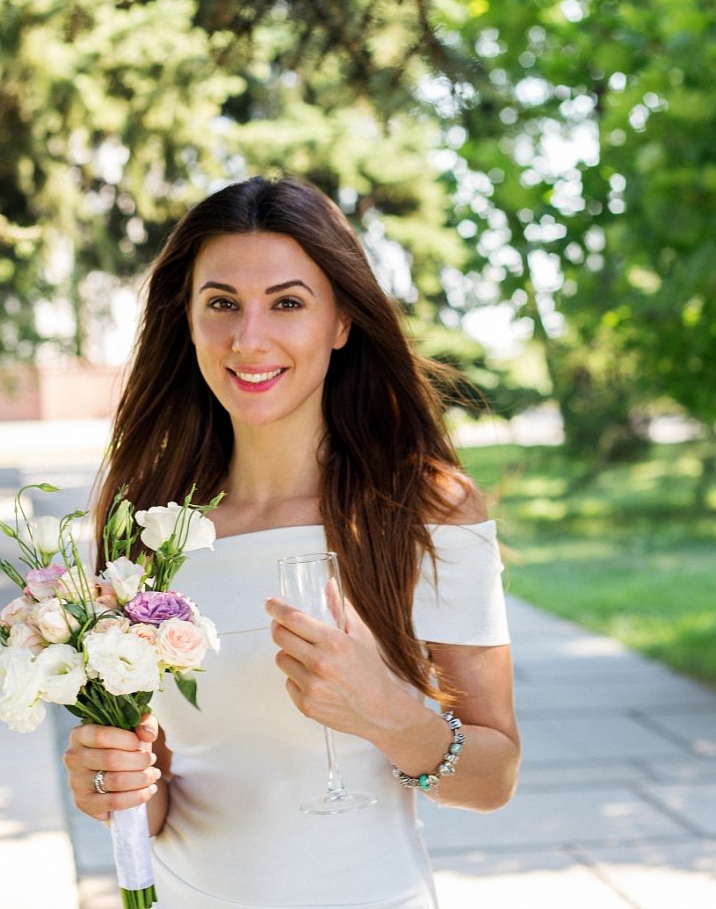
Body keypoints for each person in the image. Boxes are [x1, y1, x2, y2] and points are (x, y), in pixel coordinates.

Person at [63, 175, 520, 908]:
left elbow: (494, 776)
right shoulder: (143, 519)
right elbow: (162, 793)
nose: (249, 338)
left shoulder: (425, 506)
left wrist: (389, 714)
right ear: (186, 318)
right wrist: (115, 781)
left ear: (341, 320)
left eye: (286, 303)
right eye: (221, 304)